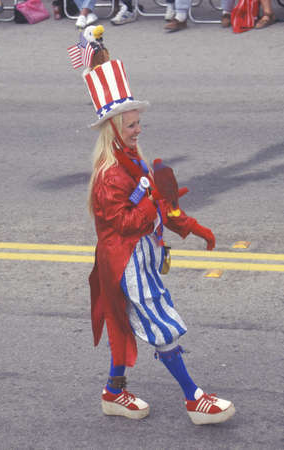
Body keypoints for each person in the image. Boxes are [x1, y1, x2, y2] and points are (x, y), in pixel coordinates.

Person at [81, 54, 236, 424]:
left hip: (137, 255)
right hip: (124, 262)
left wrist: (191, 227)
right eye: (131, 125)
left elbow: (160, 208)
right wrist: (151, 202)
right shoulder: (109, 176)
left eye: (138, 124)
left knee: (123, 325)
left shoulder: (134, 161)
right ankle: (194, 398)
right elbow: (127, 223)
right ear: (114, 128)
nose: (137, 130)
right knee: (158, 320)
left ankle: (113, 392)